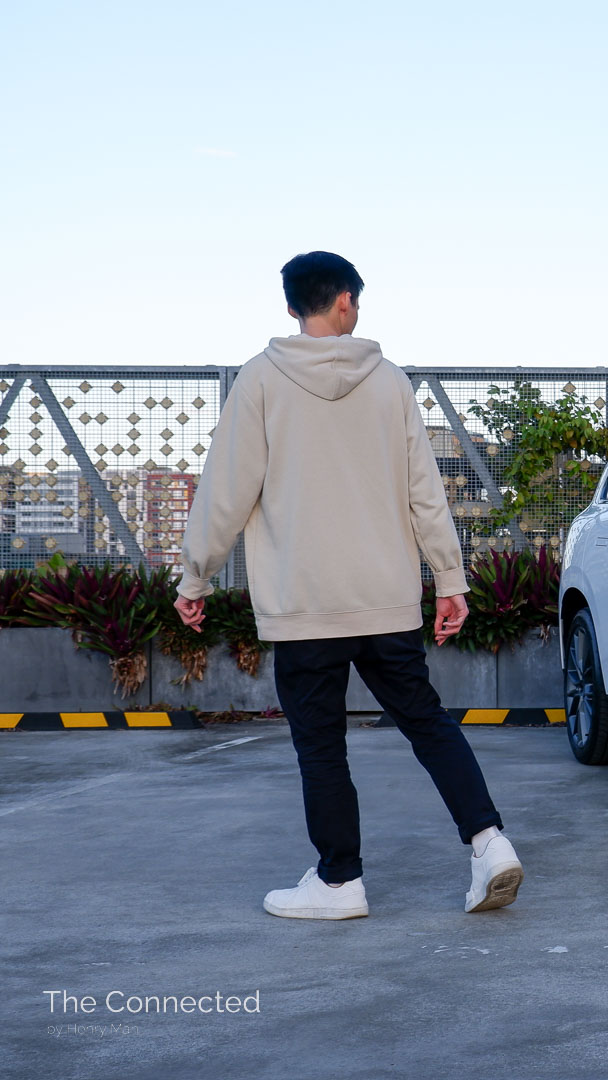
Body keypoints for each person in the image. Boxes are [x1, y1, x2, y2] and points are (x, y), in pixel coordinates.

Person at [174, 251, 522, 920]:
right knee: (426, 722)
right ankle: (489, 844)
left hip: (304, 605)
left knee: (321, 745)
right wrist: (450, 579)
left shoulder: (260, 381)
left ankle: (340, 884)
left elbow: (226, 490)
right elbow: (425, 491)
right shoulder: (390, 382)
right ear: (344, 302)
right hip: (385, 598)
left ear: (290, 307)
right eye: (354, 301)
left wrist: (196, 577)